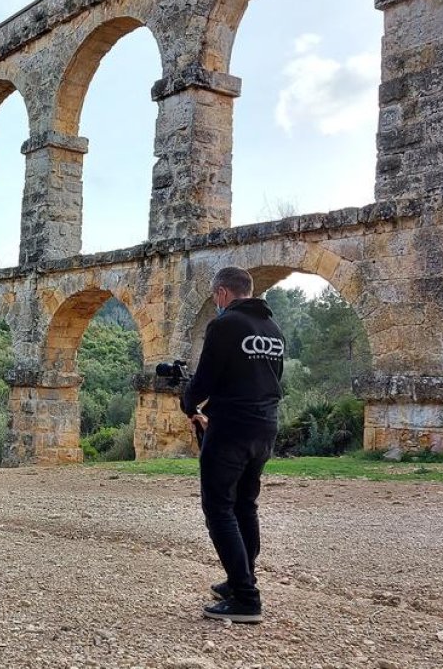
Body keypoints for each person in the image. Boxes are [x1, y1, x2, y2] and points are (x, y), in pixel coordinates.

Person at [182, 266, 285, 624]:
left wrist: (188, 404)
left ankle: (245, 598)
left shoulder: (224, 325)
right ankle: (242, 580)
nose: (215, 303)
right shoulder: (273, 329)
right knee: (245, 504)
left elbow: (205, 380)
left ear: (223, 293)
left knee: (219, 508)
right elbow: (274, 379)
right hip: (264, 427)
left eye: (215, 297)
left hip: (230, 428)